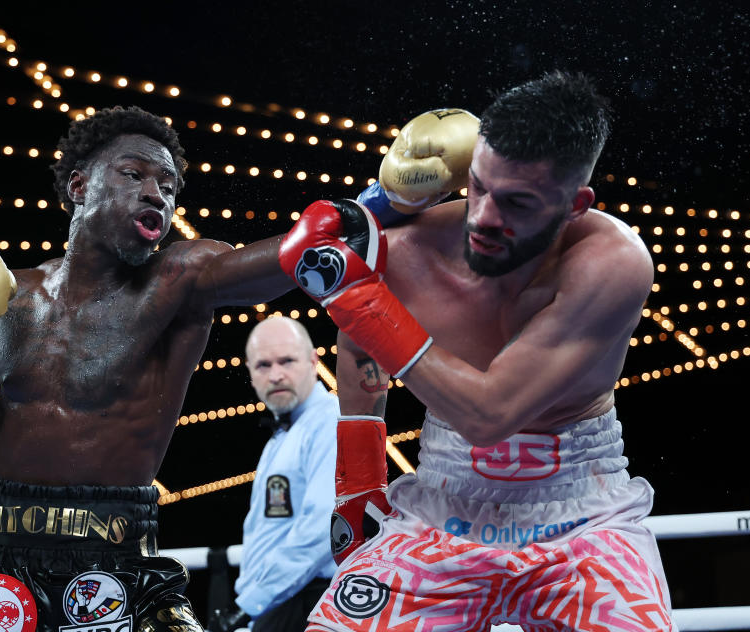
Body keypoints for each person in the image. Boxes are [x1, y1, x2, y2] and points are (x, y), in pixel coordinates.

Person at [0, 105, 294, 632]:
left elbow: (288, 262)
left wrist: (377, 205)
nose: (156, 192)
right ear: (78, 186)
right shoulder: (9, 299)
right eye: (134, 174)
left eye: (168, 183)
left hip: (113, 566)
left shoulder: (178, 280)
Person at [279, 71, 676, 631]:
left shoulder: (612, 263)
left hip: (585, 517)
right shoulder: (409, 250)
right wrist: (360, 484)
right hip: (442, 508)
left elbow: (489, 414)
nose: (485, 217)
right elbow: (358, 350)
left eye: (517, 203)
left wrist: (355, 295)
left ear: (575, 204)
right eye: (480, 188)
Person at [212, 317, 340, 632]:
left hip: (307, 600)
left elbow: (323, 527)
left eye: (286, 361)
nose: (276, 374)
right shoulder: (282, 435)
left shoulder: (329, 422)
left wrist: (249, 604)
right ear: (251, 374)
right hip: (278, 602)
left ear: (313, 362)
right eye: (263, 365)